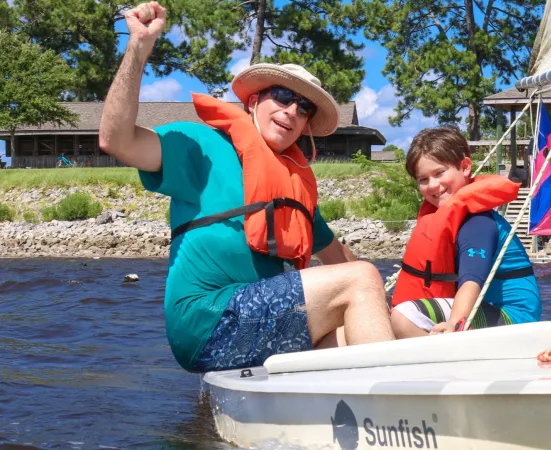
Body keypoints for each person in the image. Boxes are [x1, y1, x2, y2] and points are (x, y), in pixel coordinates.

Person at [97, 2, 394, 373]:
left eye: (304, 108)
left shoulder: (294, 190)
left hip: (260, 325)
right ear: (254, 100)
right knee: (362, 281)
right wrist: (138, 47)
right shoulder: (199, 145)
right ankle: (391, 407)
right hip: (208, 322)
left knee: (366, 323)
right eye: (283, 97)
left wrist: (391, 299)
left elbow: (341, 259)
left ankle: (362, 412)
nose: (292, 111)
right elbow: (116, 140)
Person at [389, 126, 541, 337]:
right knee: (378, 316)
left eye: (439, 173)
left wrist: (455, 324)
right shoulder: (448, 218)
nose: (433, 185)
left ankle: (441, 363)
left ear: (465, 167)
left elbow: (471, 280)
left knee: (403, 316)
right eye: (423, 179)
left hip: (513, 319)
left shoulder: (478, 222)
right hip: (480, 308)